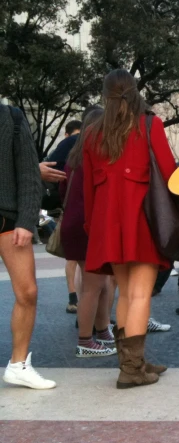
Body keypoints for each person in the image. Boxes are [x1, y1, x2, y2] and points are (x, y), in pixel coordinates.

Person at [83, 69, 175, 389]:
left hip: (108, 223)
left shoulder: (93, 133)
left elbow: (88, 191)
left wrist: (90, 227)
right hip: (143, 220)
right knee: (140, 294)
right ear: (135, 92)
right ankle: (132, 369)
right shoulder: (150, 125)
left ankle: (132, 362)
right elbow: (168, 172)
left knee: (124, 293)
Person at [1, 103, 56, 389]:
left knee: (28, 292)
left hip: (9, 222)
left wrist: (26, 220)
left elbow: (27, 174)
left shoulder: (12, 117)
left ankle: (18, 365)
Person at [61, 108, 116, 357]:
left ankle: (102, 332)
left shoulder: (74, 158)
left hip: (73, 224)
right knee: (93, 286)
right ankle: (86, 340)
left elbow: (63, 192)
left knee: (101, 283)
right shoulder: (93, 158)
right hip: (88, 226)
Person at [47, 120, 83, 313]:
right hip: (88, 207)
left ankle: (73, 298)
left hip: (68, 206)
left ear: (66, 134)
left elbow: (52, 167)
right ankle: (93, 310)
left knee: (72, 257)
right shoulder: (91, 142)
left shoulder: (66, 145)